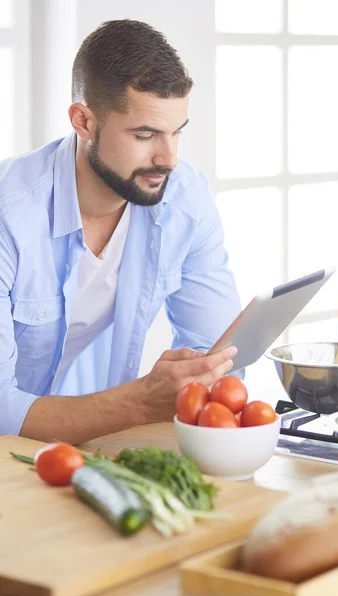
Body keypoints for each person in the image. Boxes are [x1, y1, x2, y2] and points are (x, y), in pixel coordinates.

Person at [0, 19, 242, 444]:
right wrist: (142, 401)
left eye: (176, 133)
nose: (168, 159)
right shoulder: (11, 214)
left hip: (66, 446)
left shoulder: (185, 201)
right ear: (83, 122)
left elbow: (220, 362)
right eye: (145, 134)